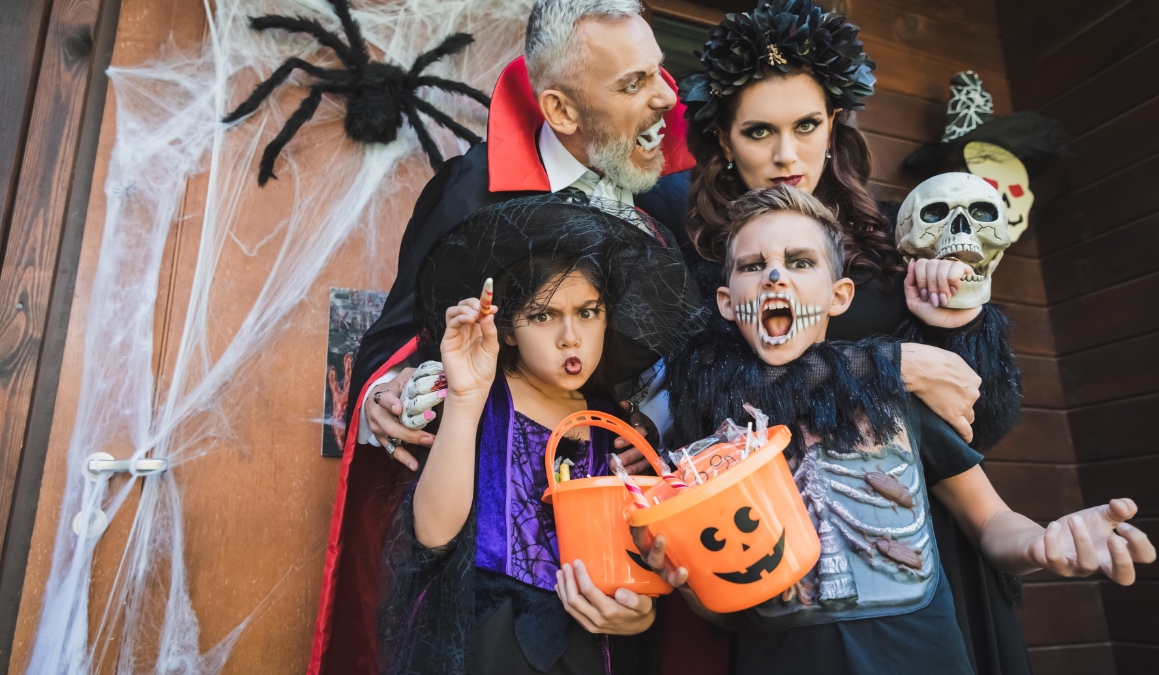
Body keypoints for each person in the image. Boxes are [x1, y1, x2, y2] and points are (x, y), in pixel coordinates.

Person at [634, 2, 1027, 672]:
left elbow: (981, 422)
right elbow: (712, 399)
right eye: (760, 131)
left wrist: (959, 319)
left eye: (807, 125)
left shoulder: (894, 240)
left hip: (929, 556)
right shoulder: (707, 270)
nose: (788, 154)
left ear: (833, 125)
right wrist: (888, 363)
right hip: (796, 588)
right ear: (725, 141)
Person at [309, 2, 693, 668]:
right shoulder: (470, 194)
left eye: (660, 72)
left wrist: (653, 437)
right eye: (634, 84)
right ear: (563, 111)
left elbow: (676, 370)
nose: (666, 98)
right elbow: (396, 339)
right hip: (479, 573)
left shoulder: (667, 204)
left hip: (605, 579)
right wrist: (384, 393)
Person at [642, 184, 1156, 675]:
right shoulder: (716, 444)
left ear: (839, 295)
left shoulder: (892, 398)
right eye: (754, 266)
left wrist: (1044, 542)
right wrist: (688, 587)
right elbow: (725, 609)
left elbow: (989, 521)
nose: (775, 275)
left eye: (800, 262)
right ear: (728, 303)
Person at [377, 195, 707, 674]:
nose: (571, 336)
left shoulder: (612, 426)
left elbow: (633, 563)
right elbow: (431, 535)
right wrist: (466, 402)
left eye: (588, 312)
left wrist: (639, 612)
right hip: (483, 645)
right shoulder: (480, 398)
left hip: (588, 650)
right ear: (508, 328)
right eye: (543, 316)